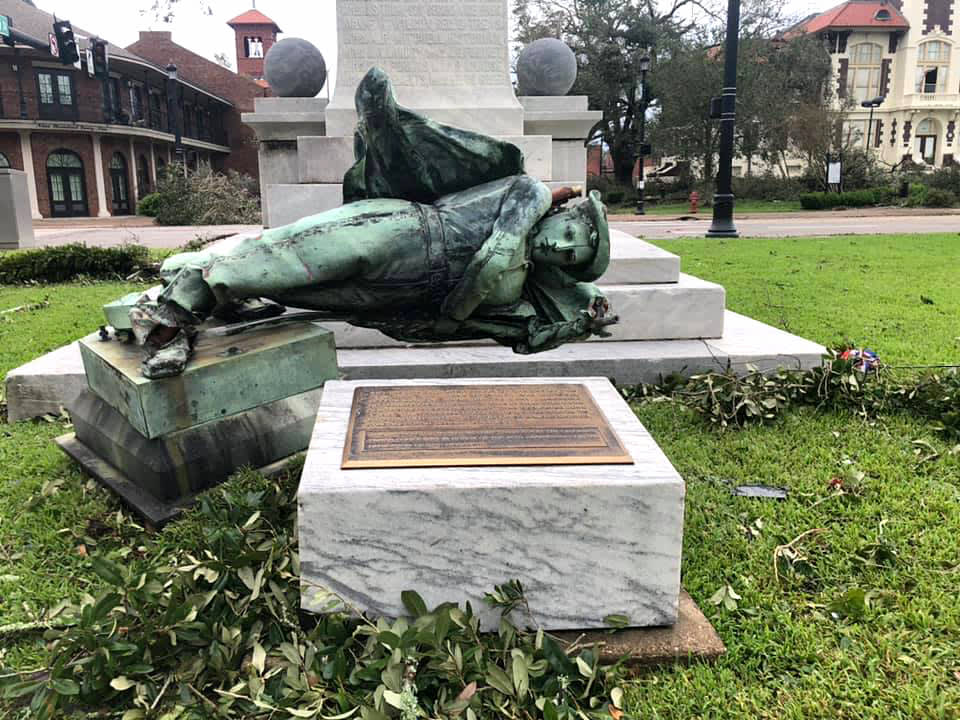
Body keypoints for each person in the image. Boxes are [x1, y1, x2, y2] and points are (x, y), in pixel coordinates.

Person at [129, 68, 616, 378]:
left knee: (297, 292)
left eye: (571, 258)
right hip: (404, 235)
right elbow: (491, 258)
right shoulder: (528, 193)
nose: (561, 249)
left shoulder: (527, 286)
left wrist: (580, 316)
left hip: (402, 293)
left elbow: (523, 334)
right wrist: (458, 311)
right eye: (570, 235)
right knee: (290, 256)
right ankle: (172, 320)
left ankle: (194, 273)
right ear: (564, 215)